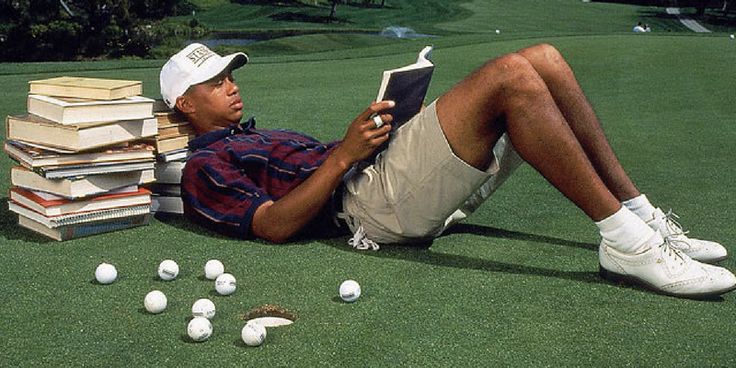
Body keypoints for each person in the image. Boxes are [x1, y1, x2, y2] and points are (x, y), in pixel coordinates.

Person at [159, 43, 735, 299]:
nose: (231, 86)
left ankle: (640, 214)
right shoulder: (204, 165)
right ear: (184, 104)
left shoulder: (254, 133)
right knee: (511, 77)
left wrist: (376, 133)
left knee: (544, 60)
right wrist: (343, 156)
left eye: (230, 75)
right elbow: (271, 226)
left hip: (378, 178)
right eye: (215, 83)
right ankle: (625, 243)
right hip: (367, 210)